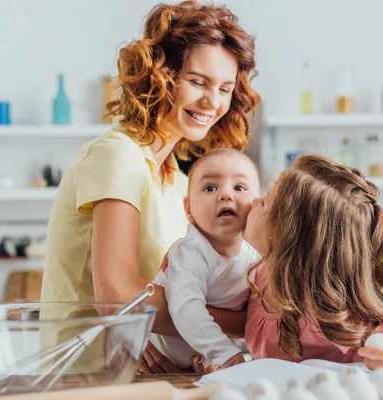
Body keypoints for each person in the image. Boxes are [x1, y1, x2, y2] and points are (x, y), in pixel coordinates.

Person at [40, 0, 260, 341]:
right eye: (199, 82)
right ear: (160, 76)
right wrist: (253, 325)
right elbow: (120, 300)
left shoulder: (180, 182)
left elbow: (161, 297)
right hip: (89, 378)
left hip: (137, 368)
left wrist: (162, 338)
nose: (212, 102)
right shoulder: (116, 155)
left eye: (225, 89)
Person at [242, 154, 383, 378]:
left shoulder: (338, 313)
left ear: (289, 236)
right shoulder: (261, 275)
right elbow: (251, 324)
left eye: (265, 203)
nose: (254, 201)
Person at [149, 148, 261, 369]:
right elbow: (186, 308)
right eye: (210, 188)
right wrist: (226, 355)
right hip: (156, 361)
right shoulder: (191, 252)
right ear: (188, 209)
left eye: (239, 187)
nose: (225, 195)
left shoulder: (255, 255)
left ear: (257, 205)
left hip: (202, 364)